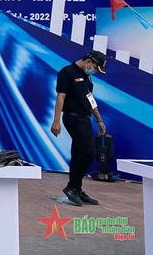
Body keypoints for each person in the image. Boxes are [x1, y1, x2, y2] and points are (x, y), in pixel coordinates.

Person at [50, 51, 107, 207]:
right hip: (73, 117)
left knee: (78, 153)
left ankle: (76, 188)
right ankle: (72, 187)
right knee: (89, 152)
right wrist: (56, 121)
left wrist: (99, 119)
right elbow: (61, 97)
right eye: (95, 67)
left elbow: (90, 99)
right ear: (89, 61)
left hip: (85, 118)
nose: (94, 70)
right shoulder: (67, 72)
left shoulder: (87, 77)